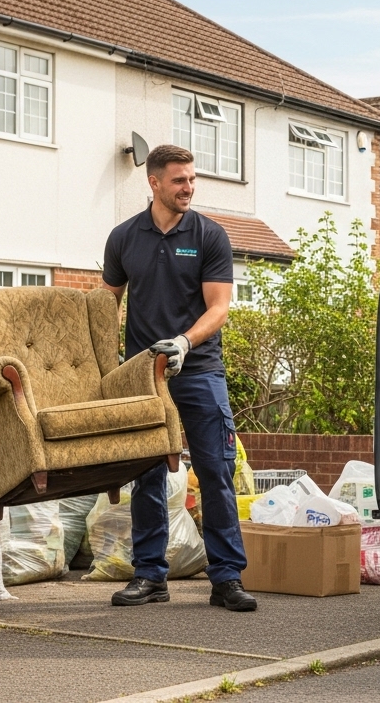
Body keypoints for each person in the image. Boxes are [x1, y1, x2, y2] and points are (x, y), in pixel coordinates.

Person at [101, 144, 256, 612]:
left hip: (199, 369)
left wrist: (186, 342)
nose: (188, 187)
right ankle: (150, 576)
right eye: (179, 180)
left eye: (191, 179)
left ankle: (226, 578)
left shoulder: (209, 236)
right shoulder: (124, 237)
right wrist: (98, 362)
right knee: (146, 474)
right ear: (154, 182)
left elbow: (219, 307)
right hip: (145, 375)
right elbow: (106, 304)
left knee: (216, 470)